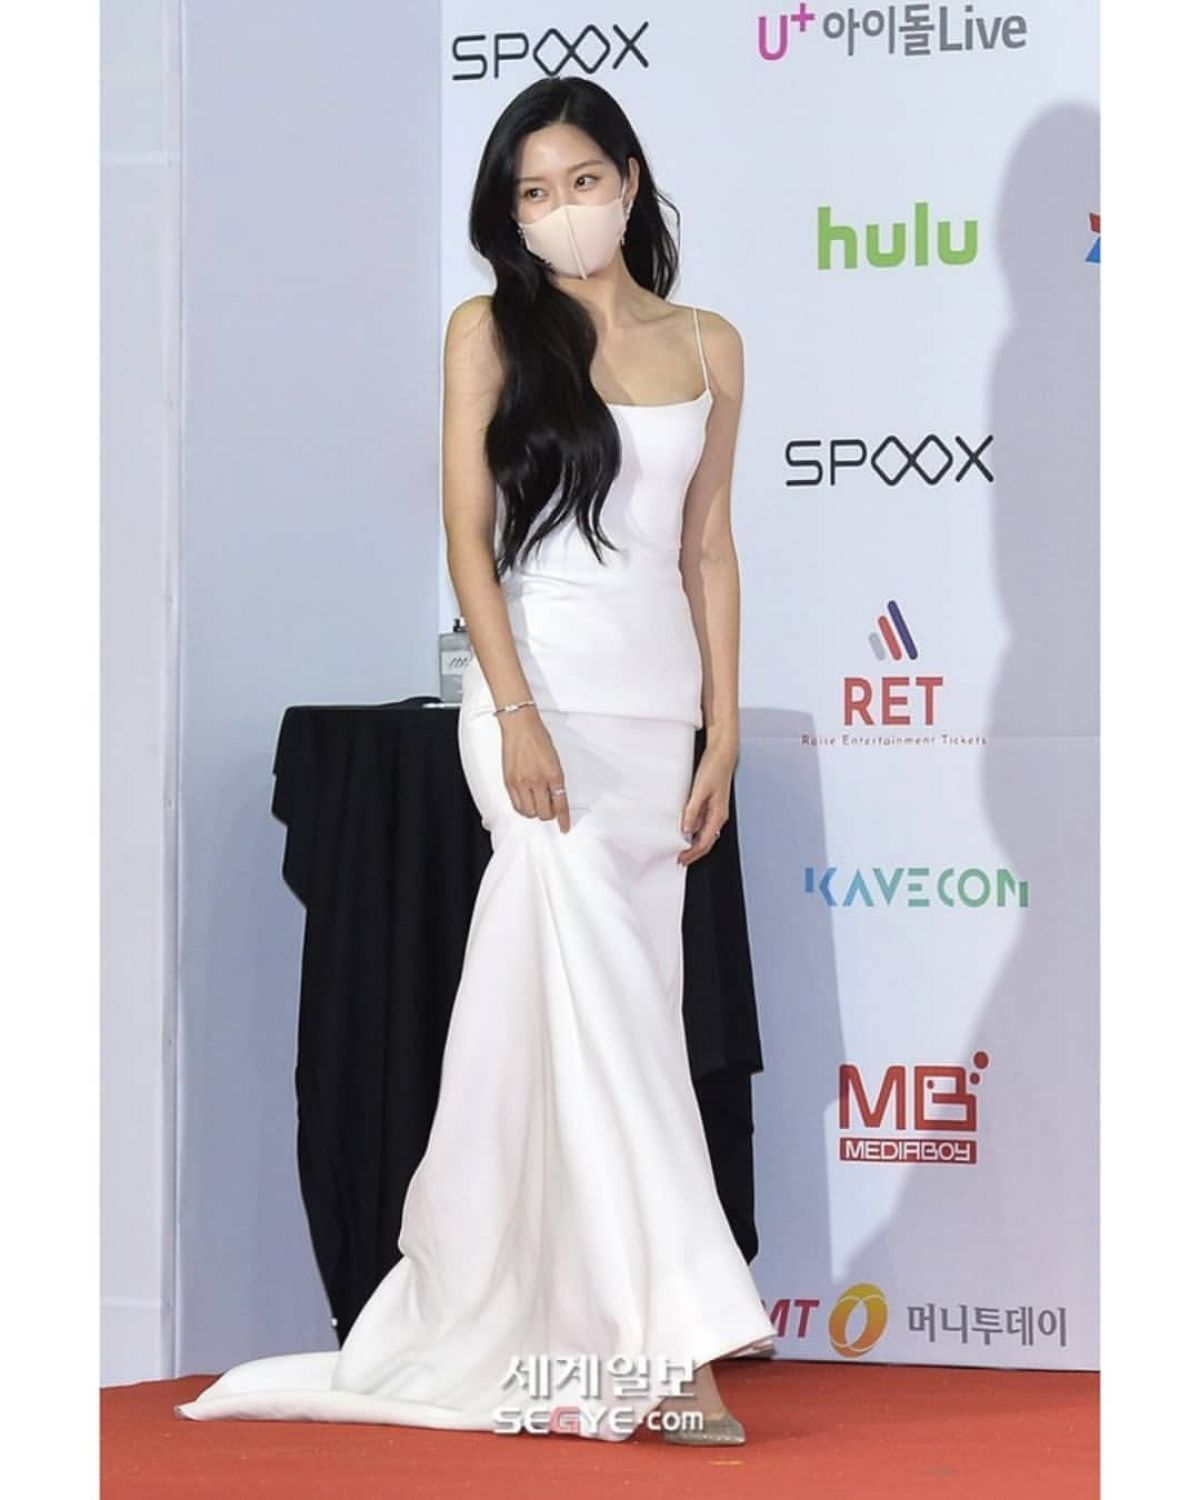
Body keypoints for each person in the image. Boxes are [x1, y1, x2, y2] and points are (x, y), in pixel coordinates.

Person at [175, 75, 774, 1446]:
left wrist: (724, 728)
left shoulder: (711, 344)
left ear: (630, 178)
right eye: (532, 192)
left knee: (606, 1027)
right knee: (607, 1022)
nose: (562, 210)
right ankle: (675, 1348)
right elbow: (468, 536)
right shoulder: (488, 332)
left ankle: (571, 1330)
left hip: (654, 720)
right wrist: (513, 712)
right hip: (536, 709)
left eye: (581, 181)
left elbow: (709, 547)